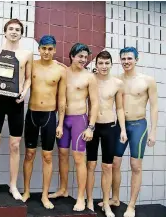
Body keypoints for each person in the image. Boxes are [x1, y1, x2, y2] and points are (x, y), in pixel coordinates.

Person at [0, 19, 33, 201]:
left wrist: (24, 93)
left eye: (17, 29)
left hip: (16, 103)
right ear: (5, 32)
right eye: (11, 29)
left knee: (15, 145)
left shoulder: (27, 54)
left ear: (21, 33)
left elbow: (28, 79)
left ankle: (13, 185)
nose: (14, 32)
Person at [102, 47, 158, 217]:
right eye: (123, 59)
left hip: (138, 126)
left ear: (136, 59)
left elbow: (155, 107)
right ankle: (116, 198)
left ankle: (132, 205)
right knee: (115, 163)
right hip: (120, 125)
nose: (126, 62)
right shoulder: (116, 79)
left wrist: (153, 132)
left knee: (136, 166)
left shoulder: (147, 80)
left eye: (129, 58)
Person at [49, 43, 99, 211]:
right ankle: (63, 189)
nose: (83, 60)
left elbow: (95, 103)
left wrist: (90, 127)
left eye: (86, 57)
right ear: (72, 56)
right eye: (80, 56)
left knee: (79, 159)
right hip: (64, 119)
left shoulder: (89, 77)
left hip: (80, 120)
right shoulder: (64, 73)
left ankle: (80, 198)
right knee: (62, 155)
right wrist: (60, 123)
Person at [21, 35, 66, 209]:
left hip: (49, 116)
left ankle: (45, 195)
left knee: (47, 156)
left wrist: (60, 123)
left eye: (50, 49)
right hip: (32, 114)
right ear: (39, 49)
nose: (46, 52)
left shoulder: (60, 71)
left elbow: (61, 99)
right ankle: (26, 191)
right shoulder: (32, 66)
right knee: (29, 154)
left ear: (54, 50)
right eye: (43, 48)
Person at [85, 51, 127, 217]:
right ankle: (89, 200)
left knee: (107, 166)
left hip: (110, 127)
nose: (103, 66)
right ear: (96, 64)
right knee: (91, 165)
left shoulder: (117, 83)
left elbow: (120, 108)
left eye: (106, 63)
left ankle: (106, 203)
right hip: (92, 127)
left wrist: (122, 129)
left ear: (111, 64)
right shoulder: (90, 79)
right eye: (100, 63)